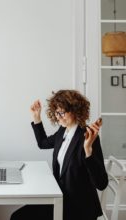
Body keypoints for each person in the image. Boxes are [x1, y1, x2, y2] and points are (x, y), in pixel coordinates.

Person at [10, 89, 108, 220]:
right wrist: (36, 117)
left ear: (75, 111)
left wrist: (88, 150)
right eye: (56, 112)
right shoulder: (63, 131)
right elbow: (43, 143)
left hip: (78, 208)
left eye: (62, 112)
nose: (58, 117)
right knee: (18, 216)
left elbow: (101, 183)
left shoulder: (88, 136)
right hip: (61, 198)